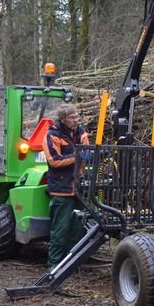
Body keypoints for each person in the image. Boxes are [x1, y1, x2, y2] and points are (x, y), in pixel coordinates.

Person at [43, 104, 89, 268]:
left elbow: (86, 149)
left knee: (79, 227)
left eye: (77, 116)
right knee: (61, 229)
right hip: (62, 189)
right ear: (63, 120)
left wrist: (88, 155)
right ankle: (54, 264)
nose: (76, 120)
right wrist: (78, 156)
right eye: (72, 117)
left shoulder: (81, 131)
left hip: (79, 187)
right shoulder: (52, 135)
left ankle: (72, 263)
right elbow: (55, 160)